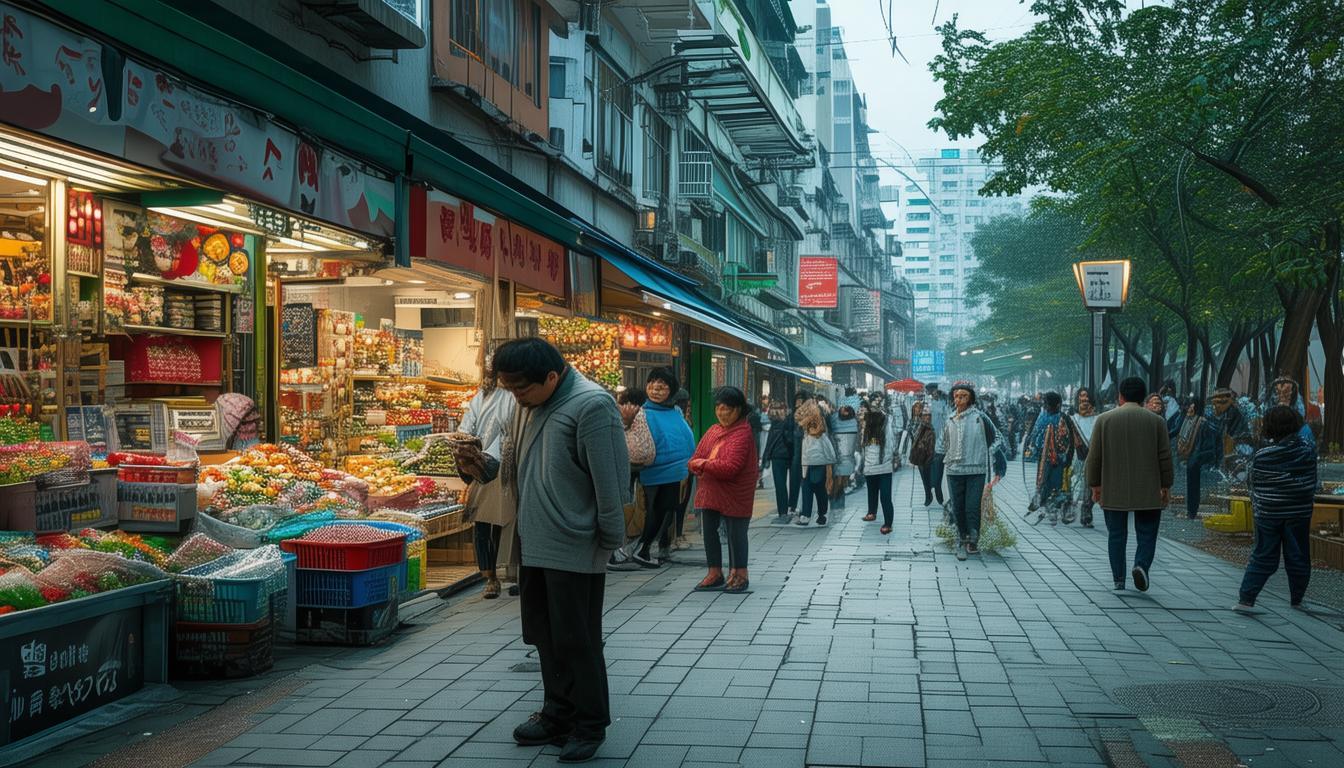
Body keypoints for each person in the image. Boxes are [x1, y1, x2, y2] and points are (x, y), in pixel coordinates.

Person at [490, 338, 629, 763]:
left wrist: (609, 539)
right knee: (544, 635)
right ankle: (556, 714)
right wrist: (479, 464)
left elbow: (610, 481)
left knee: (577, 638)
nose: (516, 397)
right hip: (533, 538)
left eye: (521, 388)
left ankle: (589, 725)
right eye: (510, 388)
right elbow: (512, 461)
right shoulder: (526, 403)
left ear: (551, 376)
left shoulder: (592, 405)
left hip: (574, 540)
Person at [1085, 376, 1173, 592]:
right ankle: (1141, 565)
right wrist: (1165, 485)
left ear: (1120, 396)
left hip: (1113, 488)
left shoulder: (1104, 420)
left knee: (1116, 534)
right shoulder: (1157, 422)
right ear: (1144, 397)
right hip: (1148, 488)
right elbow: (1165, 457)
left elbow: (1094, 456)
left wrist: (1094, 485)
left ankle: (1118, 579)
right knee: (1147, 532)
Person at [1235, 405, 1319, 612]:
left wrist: (1259, 504)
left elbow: (1252, 484)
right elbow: (1311, 483)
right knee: (1298, 555)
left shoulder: (1263, 455)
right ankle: (1297, 599)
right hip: (1297, 513)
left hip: (1267, 513)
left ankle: (1246, 598)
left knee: (1263, 554)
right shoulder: (1307, 451)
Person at [459, 354, 519, 598]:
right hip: (484, 464)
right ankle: (490, 577)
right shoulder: (481, 398)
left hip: (511, 466)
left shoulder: (519, 395)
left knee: (509, 522)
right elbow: (466, 427)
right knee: (484, 522)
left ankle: (514, 573)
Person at [689, 387, 759, 594]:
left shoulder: (743, 433)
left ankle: (740, 574)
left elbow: (730, 468)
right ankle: (715, 573)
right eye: (719, 408)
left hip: (735, 492)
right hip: (710, 490)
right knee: (709, 532)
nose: (722, 412)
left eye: (727, 408)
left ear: (738, 409)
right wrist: (701, 463)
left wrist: (704, 464)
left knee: (735, 532)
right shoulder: (714, 430)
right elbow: (696, 457)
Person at [629, 368, 696, 569]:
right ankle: (642, 548)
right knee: (653, 510)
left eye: (663, 385)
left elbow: (684, 435)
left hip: (677, 470)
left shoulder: (674, 411)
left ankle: (645, 548)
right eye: (652, 384)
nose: (656, 389)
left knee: (667, 509)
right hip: (652, 470)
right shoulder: (640, 413)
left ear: (671, 390)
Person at [940, 382, 1007, 560]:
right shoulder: (949, 419)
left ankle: (973, 541)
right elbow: (942, 444)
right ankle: (961, 539)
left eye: (963, 396)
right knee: (958, 507)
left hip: (976, 470)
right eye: (956, 396)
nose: (959, 399)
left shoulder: (980, 417)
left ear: (970, 398)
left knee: (972, 507)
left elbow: (998, 438)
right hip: (953, 471)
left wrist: (985, 452)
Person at [1029, 392, 1076, 526]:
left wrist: (1069, 458)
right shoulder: (1042, 417)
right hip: (1043, 459)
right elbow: (1034, 434)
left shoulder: (1064, 418)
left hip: (1059, 460)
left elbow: (1070, 440)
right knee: (1043, 482)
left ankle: (1054, 510)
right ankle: (1044, 507)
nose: (1046, 407)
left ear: (1057, 405)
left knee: (1057, 484)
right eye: (1045, 404)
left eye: (1048, 404)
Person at [794, 397, 836, 526]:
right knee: (819, 488)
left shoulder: (804, 427)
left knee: (807, 488)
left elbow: (796, 435)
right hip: (820, 461)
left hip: (809, 461)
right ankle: (821, 515)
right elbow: (828, 440)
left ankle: (806, 516)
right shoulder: (821, 422)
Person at [1177, 397, 1219, 519]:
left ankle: (1192, 511)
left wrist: (1199, 458)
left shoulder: (1202, 423)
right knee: (1191, 485)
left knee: (1194, 486)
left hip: (1196, 459)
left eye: (1191, 405)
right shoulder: (1189, 420)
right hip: (1191, 457)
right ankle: (1191, 510)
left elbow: (1208, 444)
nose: (1189, 408)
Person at [859, 408, 897, 534]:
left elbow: (890, 446)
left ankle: (888, 523)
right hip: (870, 468)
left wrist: (887, 461)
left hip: (883, 468)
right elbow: (863, 449)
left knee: (885, 497)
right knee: (872, 492)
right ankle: (872, 512)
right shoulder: (867, 431)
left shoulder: (885, 430)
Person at [760, 400, 796, 524]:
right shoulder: (791, 421)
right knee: (793, 483)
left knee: (780, 485)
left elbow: (770, 443)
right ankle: (791, 508)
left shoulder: (775, 424)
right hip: (791, 455)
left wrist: (765, 458)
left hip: (778, 457)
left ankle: (783, 512)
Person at [1069, 388, 1100, 528]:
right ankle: (1068, 508)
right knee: (1073, 483)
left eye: (1087, 397)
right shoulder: (1072, 418)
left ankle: (1086, 514)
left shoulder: (1097, 418)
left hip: (1092, 455)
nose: (1084, 400)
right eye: (1081, 397)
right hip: (1077, 455)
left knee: (1090, 484)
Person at [926, 383, 951, 519]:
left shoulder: (945, 403)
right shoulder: (929, 404)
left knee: (941, 466)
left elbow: (946, 415)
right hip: (934, 439)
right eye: (931, 393)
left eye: (935, 392)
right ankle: (935, 490)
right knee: (936, 466)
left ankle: (938, 491)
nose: (933, 394)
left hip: (947, 438)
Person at [908, 400, 939, 506]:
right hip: (918, 452)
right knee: (923, 475)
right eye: (915, 407)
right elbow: (910, 436)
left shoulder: (925, 420)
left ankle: (932, 491)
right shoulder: (911, 421)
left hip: (927, 450)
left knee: (929, 473)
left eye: (919, 407)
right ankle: (928, 494)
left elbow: (931, 432)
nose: (917, 409)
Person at [832, 405, 859, 502]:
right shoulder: (854, 422)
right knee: (841, 480)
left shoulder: (834, 418)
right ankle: (838, 494)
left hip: (839, 458)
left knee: (839, 479)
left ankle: (836, 495)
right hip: (849, 459)